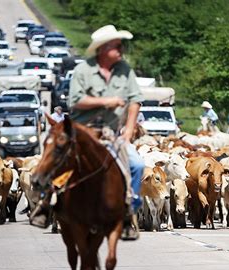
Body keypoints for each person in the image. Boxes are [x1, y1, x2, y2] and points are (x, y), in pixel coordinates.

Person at [30, 25, 145, 239]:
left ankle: (129, 209)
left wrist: (129, 129)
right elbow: (75, 101)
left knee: (138, 164)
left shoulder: (124, 70)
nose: (121, 49)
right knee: (58, 157)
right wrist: (107, 100)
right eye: (117, 46)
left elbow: (135, 100)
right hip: (83, 132)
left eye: (121, 45)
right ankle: (45, 202)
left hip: (111, 134)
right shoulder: (83, 70)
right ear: (103, 48)